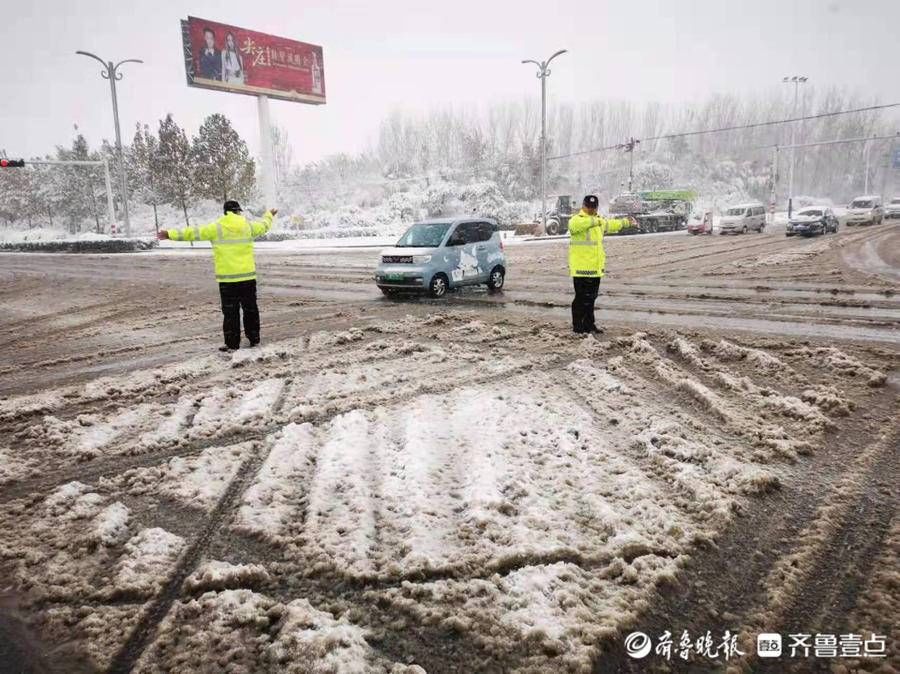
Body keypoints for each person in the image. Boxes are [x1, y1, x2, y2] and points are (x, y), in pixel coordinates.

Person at [158, 201, 278, 351]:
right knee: (250, 309)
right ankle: (254, 339)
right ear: (238, 212)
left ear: (225, 212)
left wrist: (170, 234)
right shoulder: (248, 226)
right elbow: (264, 225)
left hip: (227, 280)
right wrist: (269, 215)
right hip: (247, 278)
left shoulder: (216, 228)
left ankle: (232, 344)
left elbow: (193, 233)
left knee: (230, 313)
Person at [568, 195, 633, 334]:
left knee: (591, 298)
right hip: (581, 269)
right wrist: (596, 220)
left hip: (595, 268)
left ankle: (589, 324)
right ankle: (578, 327)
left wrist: (626, 222)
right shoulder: (576, 220)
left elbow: (610, 224)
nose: (591, 209)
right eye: (589, 207)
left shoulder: (598, 221)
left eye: (594, 207)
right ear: (583, 206)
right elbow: (574, 227)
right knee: (581, 298)